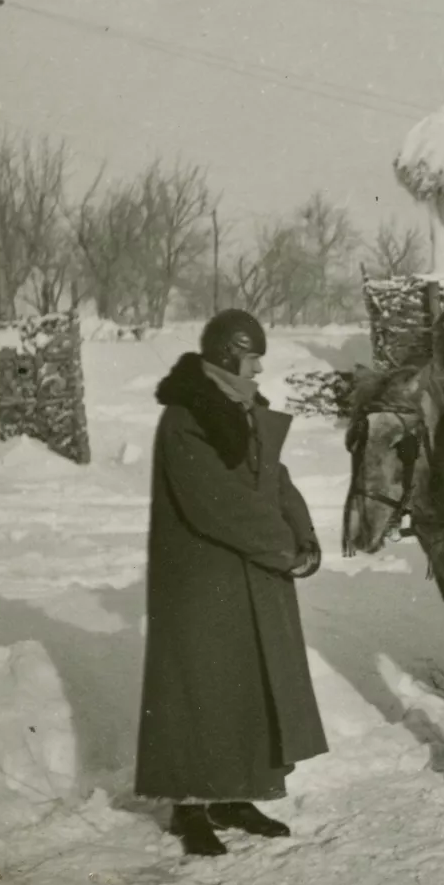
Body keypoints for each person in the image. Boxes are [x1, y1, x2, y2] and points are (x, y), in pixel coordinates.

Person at [136, 309, 328, 857]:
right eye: (251, 358)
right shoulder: (185, 417)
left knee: (246, 687)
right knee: (198, 692)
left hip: (249, 571)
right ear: (226, 357)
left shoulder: (244, 409)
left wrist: (305, 536)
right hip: (202, 579)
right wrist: (283, 549)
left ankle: (235, 794)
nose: (259, 368)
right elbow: (218, 503)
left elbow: (276, 481)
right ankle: (189, 807)